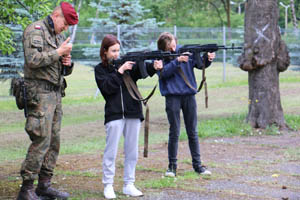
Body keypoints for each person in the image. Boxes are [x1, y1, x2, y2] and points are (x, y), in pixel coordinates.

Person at [17, 2, 78, 200]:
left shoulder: (58, 36)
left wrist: (67, 63)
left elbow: (59, 67)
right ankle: (26, 189)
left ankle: (44, 185)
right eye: (65, 23)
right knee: (41, 139)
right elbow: (33, 60)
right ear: (56, 15)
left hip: (55, 93)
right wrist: (58, 53)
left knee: (54, 141)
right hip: (40, 93)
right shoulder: (35, 31)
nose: (65, 28)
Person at [94, 34, 163, 199]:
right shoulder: (100, 69)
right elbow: (107, 89)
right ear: (104, 52)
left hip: (133, 112)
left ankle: (128, 184)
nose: (116, 54)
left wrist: (155, 66)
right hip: (114, 114)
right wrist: (120, 71)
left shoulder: (128, 65)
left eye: (118, 50)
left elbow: (143, 71)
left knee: (132, 151)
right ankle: (108, 185)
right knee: (111, 152)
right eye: (113, 51)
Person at [156, 32, 215, 177]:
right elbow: (163, 74)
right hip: (172, 97)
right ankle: (172, 167)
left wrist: (208, 59)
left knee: (192, 132)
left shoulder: (186, 51)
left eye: (174, 46)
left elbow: (200, 65)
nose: (173, 49)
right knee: (174, 132)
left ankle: (198, 165)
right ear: (164, 48)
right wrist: (177, 61)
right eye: (169, 48)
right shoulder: (159, 57)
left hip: (189, 95)